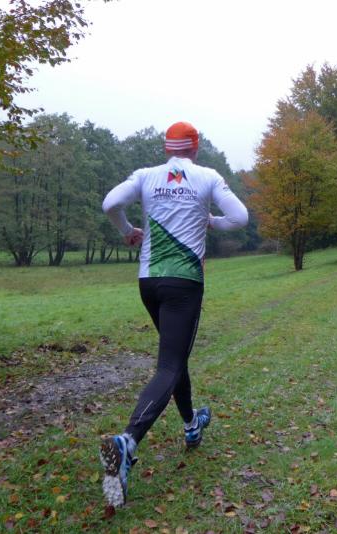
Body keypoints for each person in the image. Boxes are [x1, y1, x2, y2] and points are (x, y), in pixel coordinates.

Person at [99, 121, 248, 507]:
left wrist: (127, 230)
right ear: (195, 149)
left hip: (149, 281)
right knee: (169, 365)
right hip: (184, 283)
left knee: (175, 357)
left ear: (167, 149)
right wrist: (211, 221)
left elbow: (110, 204)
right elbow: (240, 218)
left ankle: (191, 425)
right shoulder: (207, 177)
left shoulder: (145, 175)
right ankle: (127, 441)